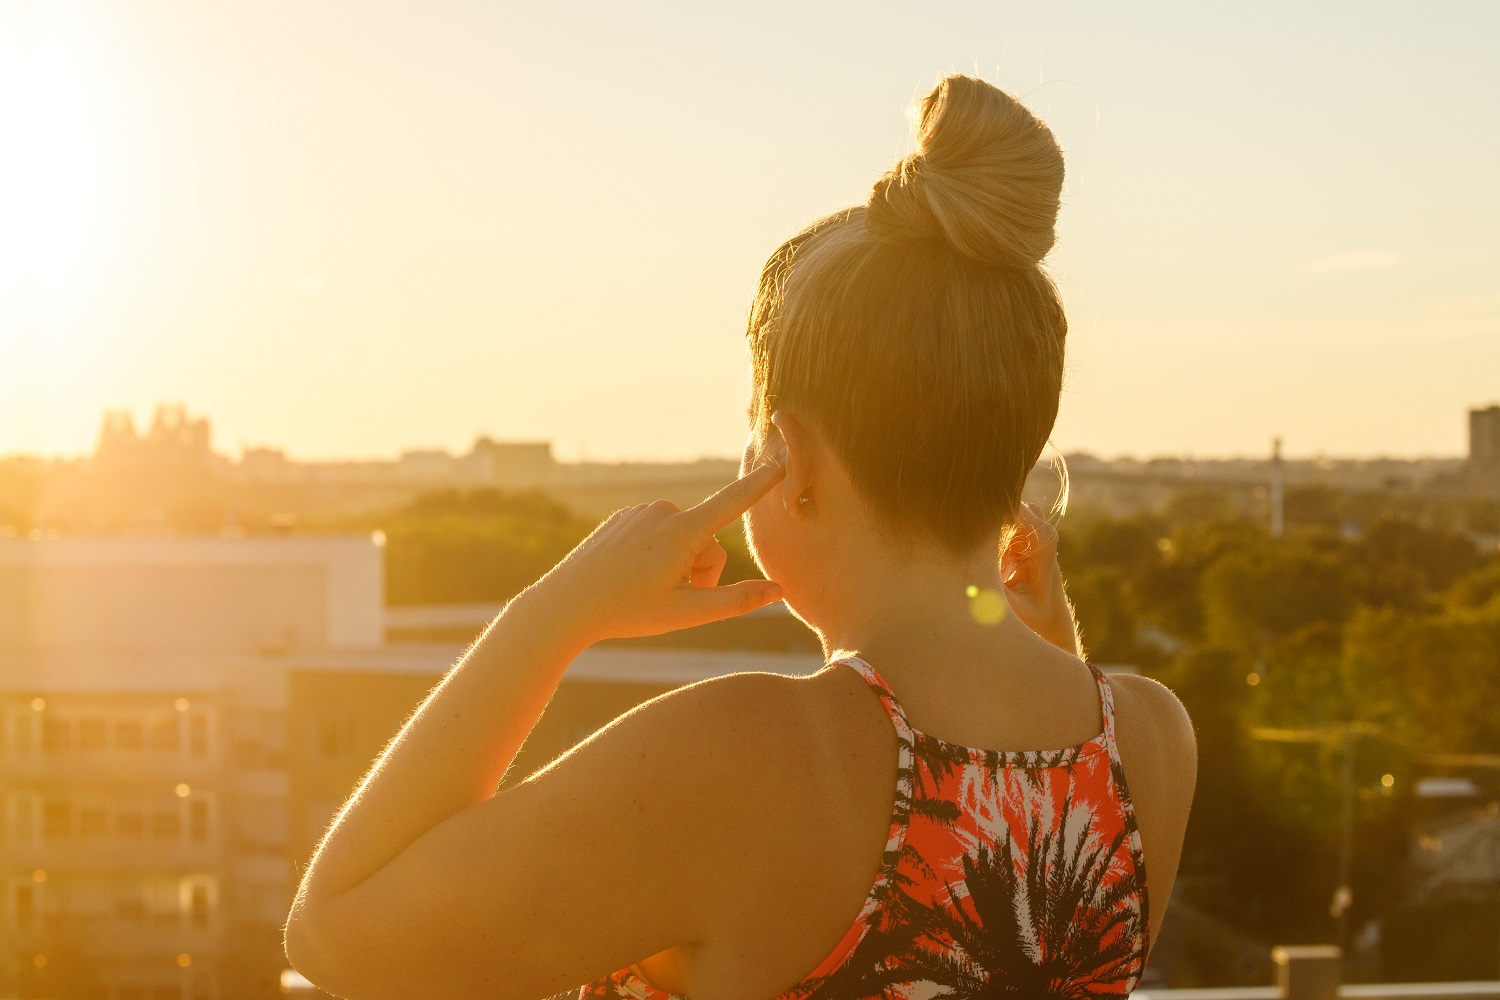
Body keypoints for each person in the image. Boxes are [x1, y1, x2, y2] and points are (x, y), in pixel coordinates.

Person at [284, 74, 1197, 1000]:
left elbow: (338, 934)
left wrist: (554, 611)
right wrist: (1048, 659)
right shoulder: (1149, 741)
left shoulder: (748, 755)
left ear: (790, 462)